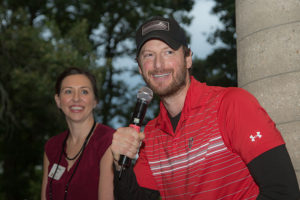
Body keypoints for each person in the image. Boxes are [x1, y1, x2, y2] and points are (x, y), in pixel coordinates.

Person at [111, 16, 300, 200]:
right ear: (140, 68)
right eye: (149, 55)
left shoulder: (232, 104)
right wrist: (121, 164)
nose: (159, 65)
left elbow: (283, 192)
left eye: (168, 52)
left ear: (188, 58)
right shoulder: (150, 135)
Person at [41, 67, 115, 200]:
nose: (76, 98)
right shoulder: (52, 147)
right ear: (58, 100)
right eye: (68, 91)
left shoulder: (109, 141)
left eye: (84, 92)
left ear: (95, 101)